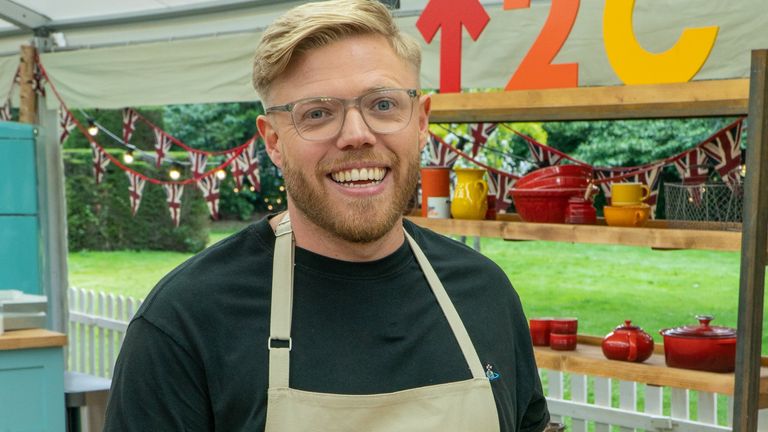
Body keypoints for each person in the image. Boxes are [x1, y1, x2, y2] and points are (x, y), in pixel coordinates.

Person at [103, 0, 549, 430]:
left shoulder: (485, 292)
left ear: (419, 120)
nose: (357, 135)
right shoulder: (186, 320)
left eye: (383, 105)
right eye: (317, 113)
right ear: (273, 140)